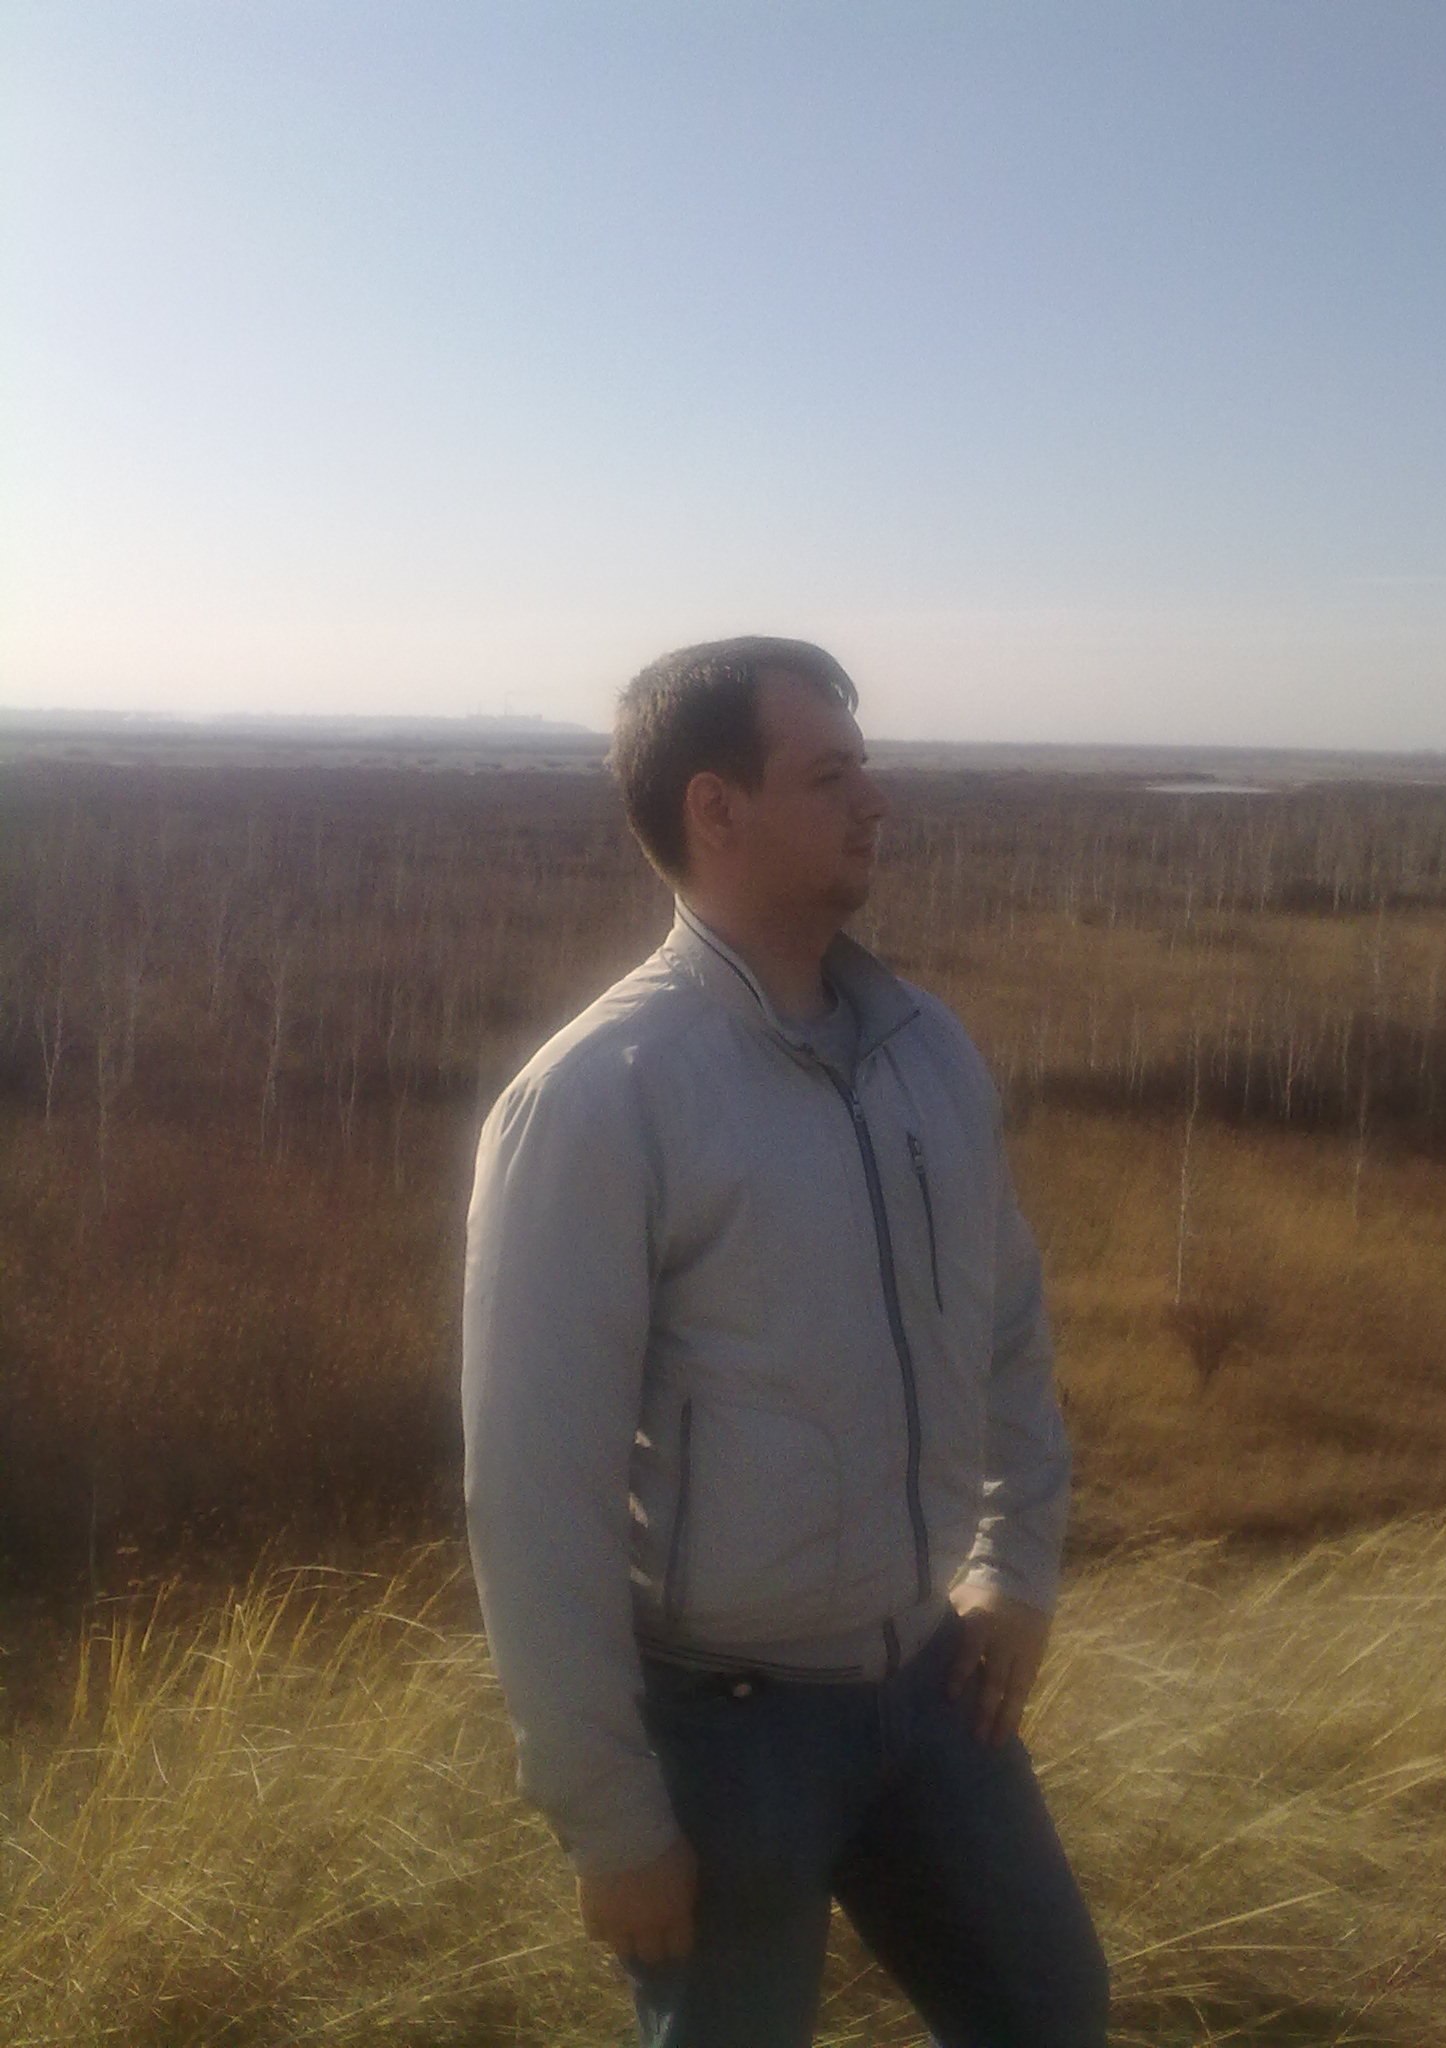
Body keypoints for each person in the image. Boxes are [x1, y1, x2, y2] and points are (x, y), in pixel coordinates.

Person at [462, 637, 1109, 2047]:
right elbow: (534, 1493)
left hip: (934, 1692)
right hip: (724, 1738)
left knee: (1052, 2013)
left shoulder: (929, 1053)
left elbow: (1005, 1325)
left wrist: (1015, 1566)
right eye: (830, 774)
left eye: (864, 766)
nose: (876, 798)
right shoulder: (600, 1099)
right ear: (717, 809)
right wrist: (611, 1821)